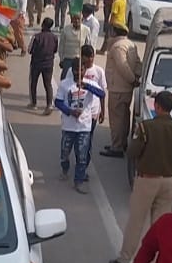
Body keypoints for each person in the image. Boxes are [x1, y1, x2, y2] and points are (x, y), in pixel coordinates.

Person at [109, 91, 172, 263]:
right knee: (160, 227)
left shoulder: (145, 127)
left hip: (147, 180)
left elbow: (132, 152)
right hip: (169, 181)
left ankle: (124, 259)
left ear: (157, 106)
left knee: (136, 222)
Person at [55, 58, 105, 194]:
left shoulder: (90, 84)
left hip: (84, 126)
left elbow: (102, 94)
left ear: (85, 70)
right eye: (76, 69)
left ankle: (78, 181)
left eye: (81, 69)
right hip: (68, 126)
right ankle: (65, 168)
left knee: (82, 155)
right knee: (65, 152)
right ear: (72, 70)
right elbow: (58, 102)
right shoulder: (65, 84)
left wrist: (87, 86)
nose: (79, 72)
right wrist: (70, 112)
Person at [102, 24, 142, 157]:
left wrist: (132, 79)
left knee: (117, 119)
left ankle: (117, 147)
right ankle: (121, 143)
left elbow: (122, 66)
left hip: (118, 87)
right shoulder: (130, 44)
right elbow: (137, 63)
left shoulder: (117, 47)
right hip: (125, 88)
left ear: (114, 31)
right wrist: (136, 78)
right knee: (124, 117)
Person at [27, 17, 58, 115]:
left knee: (33, 83)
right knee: (48, 84)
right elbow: (55, 50)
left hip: (36, 63)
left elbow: (29, 50)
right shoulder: (54, 37)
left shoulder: (36, 37)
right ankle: (49, 104)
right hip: (49, 64)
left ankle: (34, 103)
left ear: (43, 25)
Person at [58, 13, 91, 80]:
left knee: (79, 80)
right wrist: (61, 59)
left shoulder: (86, 30)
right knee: (65, 79)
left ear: (81, 20)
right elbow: (61, 46)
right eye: (74, 19)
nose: (76, 21)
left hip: (80, 60)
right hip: (68, 59)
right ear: (72, 19)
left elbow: (88, 46)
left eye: (78, 19)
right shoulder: (65, 29)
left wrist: (88, 60)